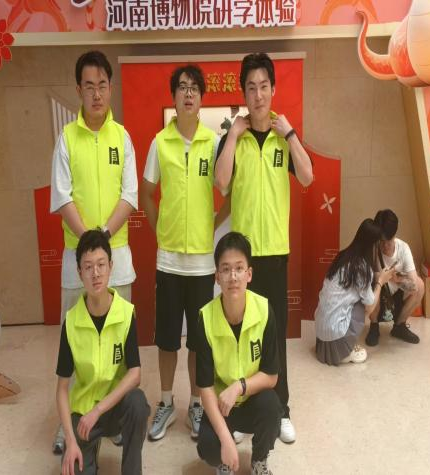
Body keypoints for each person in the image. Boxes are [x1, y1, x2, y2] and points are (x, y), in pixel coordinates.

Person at [213, 52, 314, 444]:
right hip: (242, 260)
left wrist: (290, 134)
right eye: (251, 87)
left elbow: (308, 176)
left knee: (273, 334)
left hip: (274, 252)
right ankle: (242, 414)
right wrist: (232, 136)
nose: (258, 95)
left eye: (264, 87)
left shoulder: (282, 138)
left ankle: (282, 409)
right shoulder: (234, 140)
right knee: (242, 335)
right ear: (243, 92)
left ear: (273, 90)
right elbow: (222, 183)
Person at [50, 50, 138, 453]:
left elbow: (129, 195)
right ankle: (68, 421)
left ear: (110, 88)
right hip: (77, 260)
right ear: (78, 90)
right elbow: (62, 196)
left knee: (118, 343)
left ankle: (114, 416)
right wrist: (89, 246)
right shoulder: (67, 139)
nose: (97, 93)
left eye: (102, 85)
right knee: (75, 343)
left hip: (117, 257)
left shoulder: (123, 138)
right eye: (89, 86)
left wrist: (102, 241)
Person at [141, 64, 229, 441]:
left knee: (197, 340)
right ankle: (165, 402)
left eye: (194, 88)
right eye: (182, 87)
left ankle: (195, 404)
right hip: (169, 260)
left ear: (201, 97)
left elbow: (228, 192)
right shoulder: (160, 143)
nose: (188, 94)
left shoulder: (214, 143)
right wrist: (161, 230)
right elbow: (147, 193)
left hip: (202, 264)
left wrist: (211, 224)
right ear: (174, 97)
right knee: (166, 339)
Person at [55, 230, 150, 475]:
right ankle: (88, 447)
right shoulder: (71, 322)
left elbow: (135, 374)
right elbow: (62, 389)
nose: (95, 273)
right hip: (84, 414)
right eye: (88, 267)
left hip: (115, 407)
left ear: (110, 266)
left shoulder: (126, 313)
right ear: (79, 273)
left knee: (138, 403)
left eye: (101, 265)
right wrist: (70, 440)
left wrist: (99, 410)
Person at [195, 232, 281, 475]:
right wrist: (225, 439)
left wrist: (239, 387)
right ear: (217, 277)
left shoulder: (264, 310)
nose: (233, 277)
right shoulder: (205, 317)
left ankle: (259, 460)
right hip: (222, 404)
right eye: (225, 269)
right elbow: (205, 387)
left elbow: (271, 376)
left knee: (272, 408)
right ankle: (224, 462)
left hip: (251, 397)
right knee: (208, 445)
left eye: (239, 268)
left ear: (249, 274)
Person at [314, 219, 395, 365]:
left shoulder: (343, 256)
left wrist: (376, 277)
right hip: (335, 336)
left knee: (356, 297)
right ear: (373, 246)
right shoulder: (362, 267)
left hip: (321, 333)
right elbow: (370, 304)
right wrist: (380, 282)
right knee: (362, 304)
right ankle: (345, 351)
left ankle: (342, 347)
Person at [365, 209, 424, 346]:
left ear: (394, 235)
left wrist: (396, 278)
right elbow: (365, 276)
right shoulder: (373, 248)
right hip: (379, 294)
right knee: (371, 284)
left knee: (420, 285)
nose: (385, 246)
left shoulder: (403, 248)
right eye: (382, 241)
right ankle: (374, 326)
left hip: (397, 295)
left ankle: (399, 326)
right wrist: (381, 277)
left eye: (389, 241)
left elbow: (414, 285)